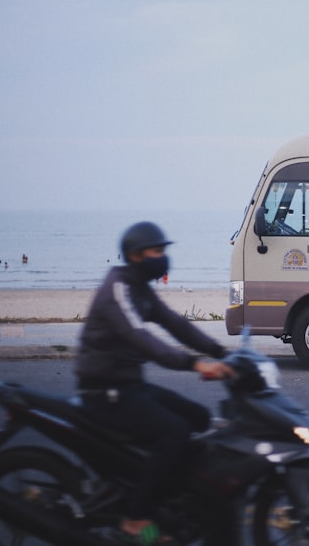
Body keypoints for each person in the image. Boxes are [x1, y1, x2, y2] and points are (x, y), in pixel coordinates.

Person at [75, 221, 235, 543]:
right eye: (157, 251)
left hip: (129, 386)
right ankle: (136, 517)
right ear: (136, 255)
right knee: (173, 432)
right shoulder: (117, 289)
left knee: (198, 418)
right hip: (104, 392)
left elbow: (175, 324)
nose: (163, 257)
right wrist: (194, 363)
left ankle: (170, 491)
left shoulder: (140, 287)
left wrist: (221, 351)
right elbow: (141, 338)